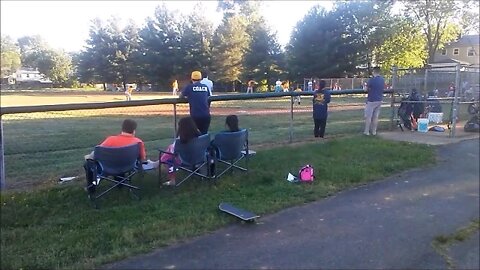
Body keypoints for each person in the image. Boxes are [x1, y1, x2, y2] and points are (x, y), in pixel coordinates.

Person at [84, 119, 156, 192]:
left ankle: (91, 188)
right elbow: (142, 158)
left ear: (122, 128)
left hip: (108, 168)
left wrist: (88, 157)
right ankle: (120, 183)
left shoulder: (111, 140)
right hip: (128, 167)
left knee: (88, 163)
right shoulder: (138, 142)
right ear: (134, 130)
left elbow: (97, 154)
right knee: (121, 159)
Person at [161, 116, 201, 186]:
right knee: (169, 151)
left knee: (167, 158)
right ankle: (156, 163)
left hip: (184, 160)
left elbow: (174, 151)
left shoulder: (181, 140)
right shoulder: (198, 135)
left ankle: (172, 180)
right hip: (198, 157)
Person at [364, 66, 385, 136]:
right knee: (375, 117)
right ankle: (374, 132)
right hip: (379, 100)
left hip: (371, 100)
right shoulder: (382, 80)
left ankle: (366, 132)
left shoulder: (372, 80)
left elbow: (365, 89)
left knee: (368, 117)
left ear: (374, 72)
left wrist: (364, 86)